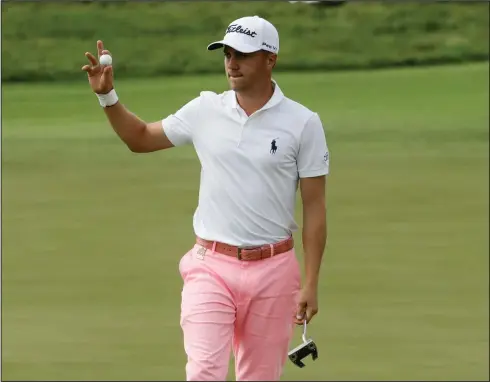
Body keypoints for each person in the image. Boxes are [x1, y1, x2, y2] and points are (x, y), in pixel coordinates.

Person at [82, 15, 330, 381]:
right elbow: (140, 138)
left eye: (243, 55)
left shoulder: (303, 123)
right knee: (203, 373)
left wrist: (311, 282)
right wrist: (107, 96)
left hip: (275, 271)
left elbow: (314, 207)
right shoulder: (205, 110)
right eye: (227, 53)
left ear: (270, 59)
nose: (232, 63)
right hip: (210, 266)